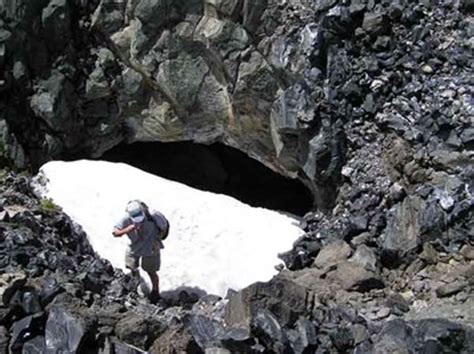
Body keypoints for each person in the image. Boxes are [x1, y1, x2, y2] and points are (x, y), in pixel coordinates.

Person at [112, 200, 164, 304]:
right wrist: (126, 230)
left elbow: (163, 228)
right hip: (135, 247)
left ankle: (155, 291)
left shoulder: (152, 215)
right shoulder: (126, 218)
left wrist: (157, 240)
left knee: (151, 271)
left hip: (151, 248)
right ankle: (136, 283)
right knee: (131, 265)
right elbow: (115, 232)